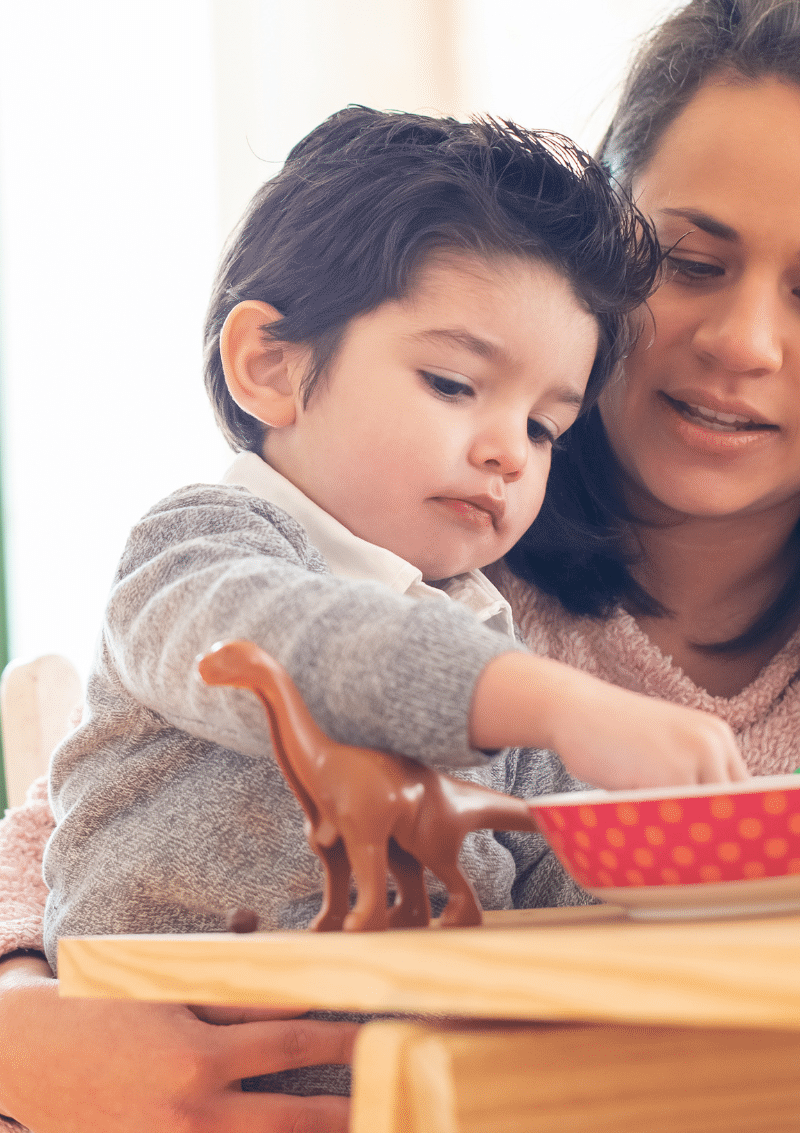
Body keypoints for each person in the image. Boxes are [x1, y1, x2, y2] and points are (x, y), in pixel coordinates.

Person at [0, 0, 800, 1133]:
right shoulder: (390, 561)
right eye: (690, 262)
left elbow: (603, 895)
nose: (741, 343)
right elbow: (65, 826)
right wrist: (9, 1034)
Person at [45, 107, 757, 994]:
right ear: (269, 366)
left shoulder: (488, 645)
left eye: (544, 427)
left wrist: (797, 820)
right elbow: (294, 649)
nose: (509, 450)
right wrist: (554, 701)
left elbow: (572, 891)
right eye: (453, 383)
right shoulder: (195, 548)